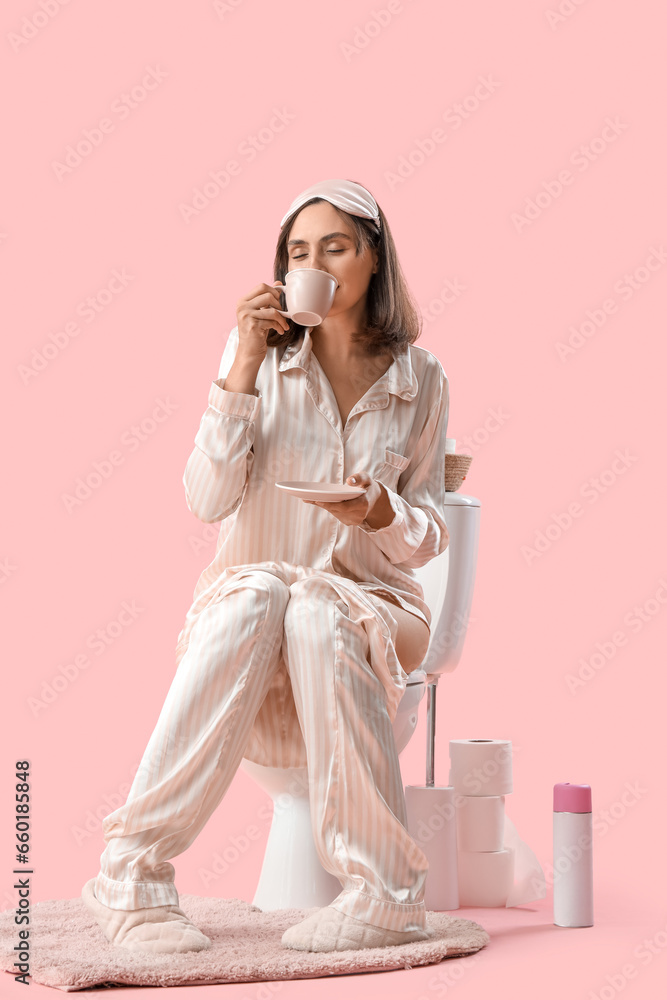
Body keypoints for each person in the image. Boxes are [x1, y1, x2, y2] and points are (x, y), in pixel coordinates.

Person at [81, 178, 450, 955]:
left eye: (336, 247)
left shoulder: (423, 381)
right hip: (255, 597)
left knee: (319, 602)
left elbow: (427, 537)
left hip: (376, 600)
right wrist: (243, 364)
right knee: (265, 595)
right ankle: (132, 874)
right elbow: (206, 500)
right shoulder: (256, 358)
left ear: (374, 258)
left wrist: (381, 512)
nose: (314, 263)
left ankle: (386, 895)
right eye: (297, 252)